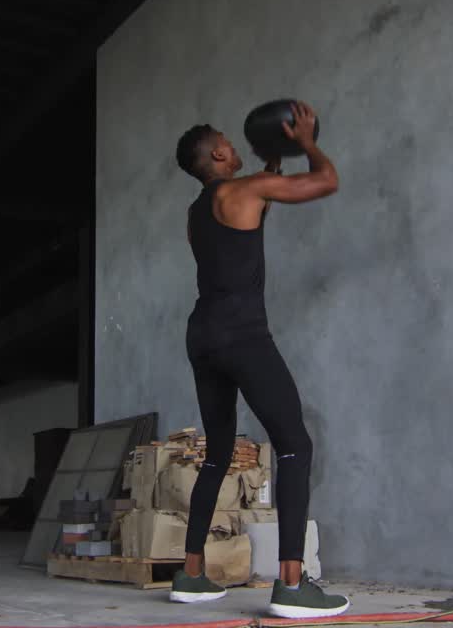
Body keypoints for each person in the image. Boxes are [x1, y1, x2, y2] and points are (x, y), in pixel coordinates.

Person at [168, 102, 349, 619]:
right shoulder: (243, 191)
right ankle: (291, 584)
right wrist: (306, 143)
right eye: (227, 140)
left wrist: (272, 161)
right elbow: (327, 181)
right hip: (242, 335)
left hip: (202, 336)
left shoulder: (197, 213)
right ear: (219, 154)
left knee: (217, 454)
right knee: (294, 446)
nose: (233, 144)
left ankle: (192, 574)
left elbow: (252, 214)